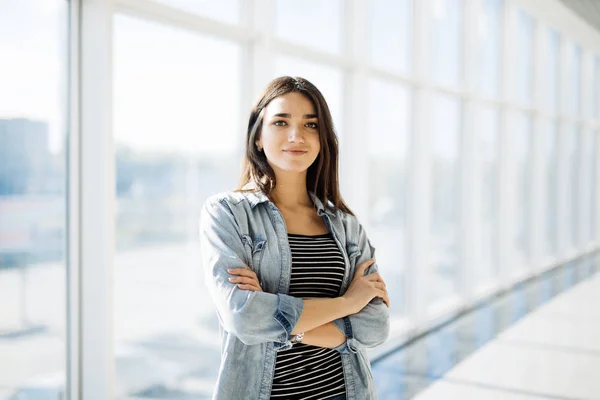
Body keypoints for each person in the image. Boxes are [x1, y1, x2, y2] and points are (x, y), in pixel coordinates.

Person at [200, 76, 391, 400]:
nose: (296, 135)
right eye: (280, 121)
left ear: (323, 138)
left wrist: (279, 320)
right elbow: (244, 317)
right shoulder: (227, 213)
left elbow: (374, 328)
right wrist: (348, 304)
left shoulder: (346, 226)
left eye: (311, 124)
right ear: (258, 136)